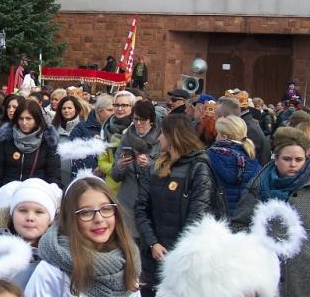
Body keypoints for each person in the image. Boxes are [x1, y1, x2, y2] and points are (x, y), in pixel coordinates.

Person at [135, 114, 218, 297]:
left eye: (162, 134)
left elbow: (197, 215)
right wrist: (152, 242)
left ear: (173, 136)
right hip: (152, 255)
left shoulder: (199, 167)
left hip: (182, 260)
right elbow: (141, 208)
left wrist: (178, 251)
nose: (158, 139)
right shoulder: (155, 166)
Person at [25, 175, 140, 297]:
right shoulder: (52, 270)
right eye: (86, 212)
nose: (99, 219)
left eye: (106, 208)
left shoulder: (129, 258)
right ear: (70, 219)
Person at [232, 127, 310, 297]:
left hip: (303, 277)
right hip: (265, 275)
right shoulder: (258, 185)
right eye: (287, 159)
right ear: (276, 159)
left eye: (299, 159)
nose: (293, 164)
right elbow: (239, 225)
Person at [0, 179, 62, 288]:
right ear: (12, 215)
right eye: (23, 210)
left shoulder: (60, 258)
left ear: (50, 219)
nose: (30, 218)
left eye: (39, 212)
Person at [111, 100, 161, 240]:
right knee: (127, 242)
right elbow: (115, 175)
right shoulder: (126, 138)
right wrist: (120, 165)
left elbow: (166, 170)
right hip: (128, 199)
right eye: (135, 119)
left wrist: (150, 164)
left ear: (151, 120)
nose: (138, 123)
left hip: (151, 200)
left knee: (148, 242)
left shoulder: (161, 139)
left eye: (142, 120)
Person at [0, 100, 61, 192]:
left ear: (37, 119)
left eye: (28, 118)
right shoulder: (7, 138)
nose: (24, 122)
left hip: (35, 194)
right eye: (20, 118)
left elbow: (54, 175)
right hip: (7, 192)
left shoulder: (48, 141)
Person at [206, 115, 261, 217]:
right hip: (244, 219)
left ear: (224, 136)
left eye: (218, 133)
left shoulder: (210, 156)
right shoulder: (251, 158)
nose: (216, 137)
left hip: (217, 219)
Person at [98, 90, 136, 194]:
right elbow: (101, 163)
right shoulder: (106, 128)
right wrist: (117, 168)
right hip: (112, 188)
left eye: (124, 105)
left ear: (132, 107)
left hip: (132, 188)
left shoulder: (137, 128)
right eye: (116, 105)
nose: (119, 109)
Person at [69, 95, 114, 177]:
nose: (113, 113)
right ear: (99, 110)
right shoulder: (82, 127)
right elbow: (73, 152)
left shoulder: (115, 130)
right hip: (85, 177)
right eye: (110, 110)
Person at [0, 95, 26, 168]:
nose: (11, 110)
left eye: (14, 107)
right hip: (2, 167)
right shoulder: (2, 121)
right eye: (9, 107)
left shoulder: (27, 127)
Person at [53, 96, 84, 186]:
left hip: (77, 177)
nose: (66, 111)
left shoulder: (84, 128)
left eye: (69, 108)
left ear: (76, 109)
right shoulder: (53, 129)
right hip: (57, 176)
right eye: (64, 108)